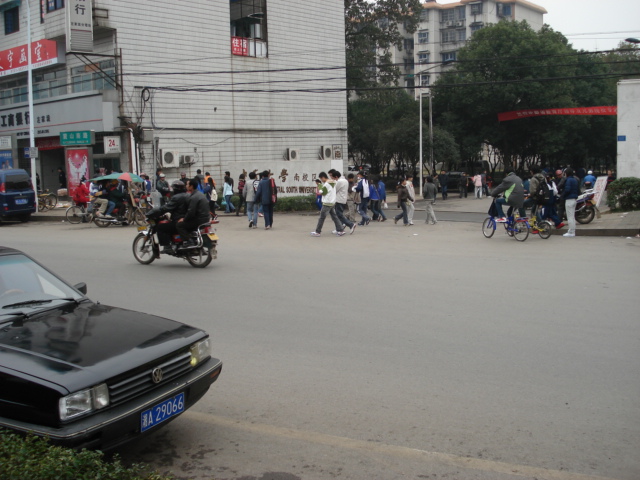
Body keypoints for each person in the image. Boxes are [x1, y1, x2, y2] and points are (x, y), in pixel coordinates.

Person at [147, 181, 189, 254]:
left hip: (179, 220)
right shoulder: (188, 195)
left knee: (161, 227)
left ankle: (167, 247)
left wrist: (156, 212)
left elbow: (167, 208)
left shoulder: (176, 197)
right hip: (187, 219)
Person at [310, 172, 346, 237]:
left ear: (323, 177)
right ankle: (341, 230)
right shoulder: (333, 182)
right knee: (334, 217)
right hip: (332, 202)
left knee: (321, 218)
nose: (321, 180)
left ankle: (318, 232)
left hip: (327, 202)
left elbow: (322, 192)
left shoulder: (327, 184)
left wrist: (320, 187)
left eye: (321, 179)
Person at [177, 179, 211, 247]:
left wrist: (184, 219)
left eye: (187, 184)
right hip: (206, 219)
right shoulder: (201, 194)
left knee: (179, 225)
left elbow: (191, 212)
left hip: (199, 220)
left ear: (191, 186)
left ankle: (189, 241)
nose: (186, 186)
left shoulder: (193, 197)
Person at [562, 168, 579, 238]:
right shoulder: (575, 180)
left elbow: (567, 190)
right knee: (572, 216)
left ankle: (571, 232)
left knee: (570, 217)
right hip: (574, 199)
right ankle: (572, 231)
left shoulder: (568, 180)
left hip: (569, 199)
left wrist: (563, 195)